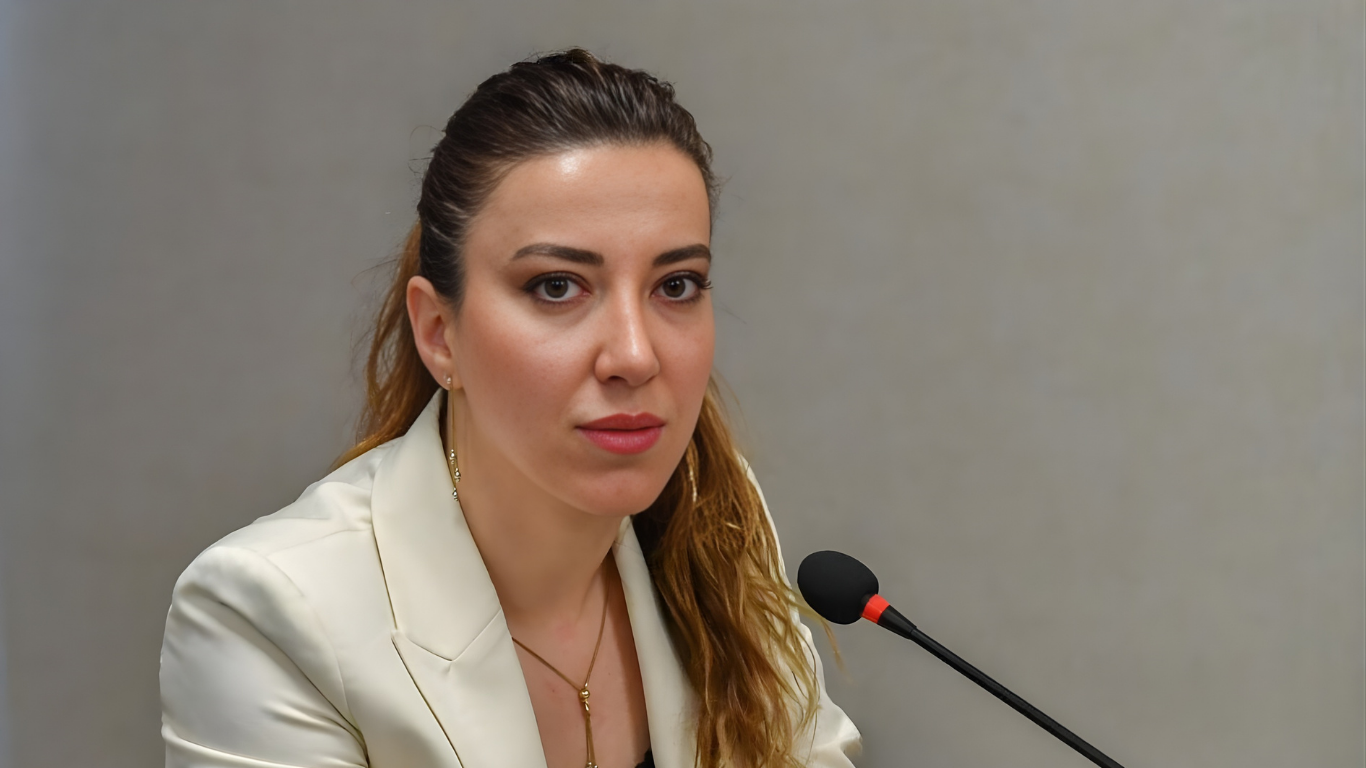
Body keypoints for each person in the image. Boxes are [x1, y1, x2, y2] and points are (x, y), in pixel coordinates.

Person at [159, 49, 861, 768]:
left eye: (676, 285)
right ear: (440, 334)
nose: (634, 355)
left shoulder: (715, 512)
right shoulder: (273, 610)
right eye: (557, 286)